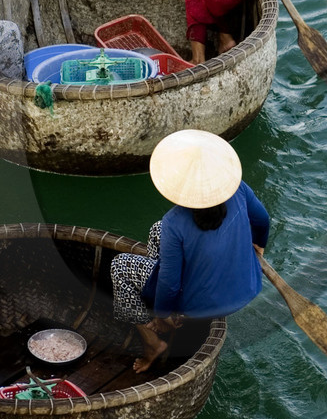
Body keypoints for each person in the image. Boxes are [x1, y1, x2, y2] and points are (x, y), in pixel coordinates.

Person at [109, 130, 271, 371]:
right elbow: (262, 220)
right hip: (245, 288)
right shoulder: (238, 189)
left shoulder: (175, 222)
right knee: (157, 231)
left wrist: (162, 315)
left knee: (120, 267)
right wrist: (259, 244)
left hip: (198, 303)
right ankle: (166, 310)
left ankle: (154, 341)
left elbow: (171, 282)